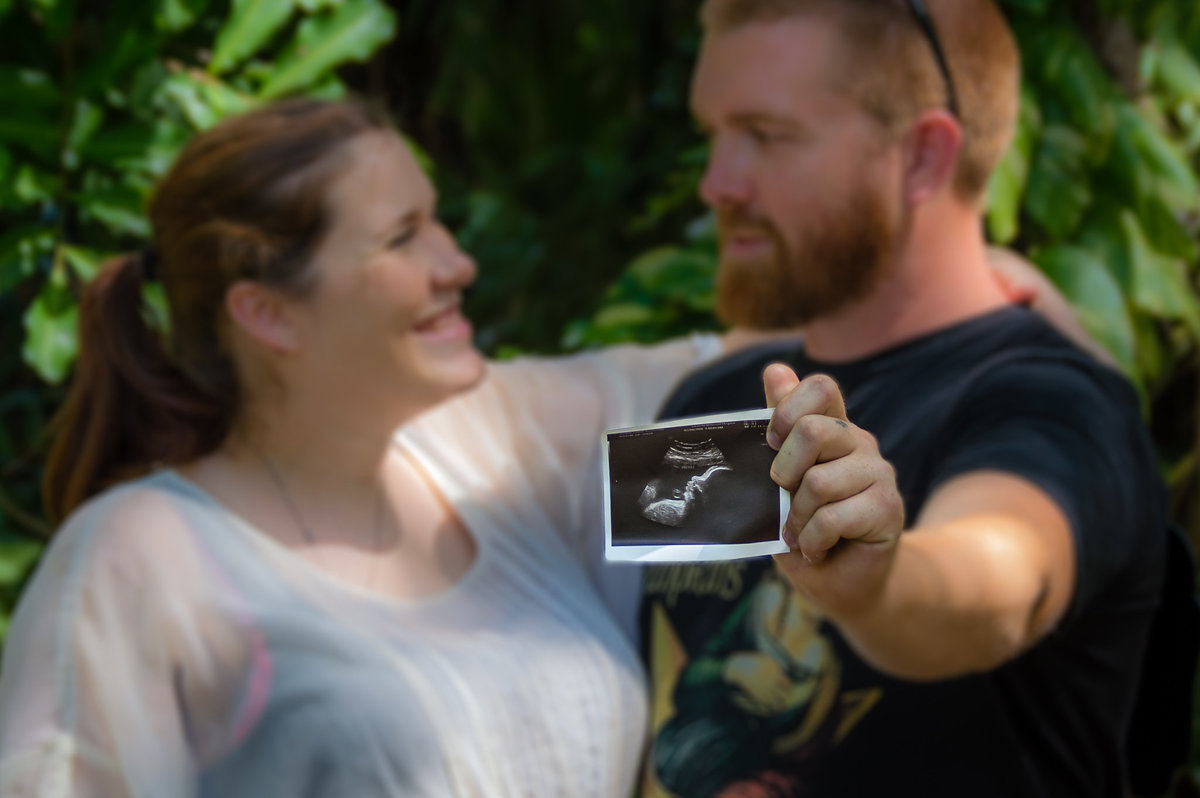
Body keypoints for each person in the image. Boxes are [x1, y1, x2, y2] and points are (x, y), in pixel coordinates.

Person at [0, 97, 762, 797]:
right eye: (403, 237)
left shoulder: (495, 463)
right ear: (268, 314)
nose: (456, 264)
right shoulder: (142, 558)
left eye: (436, 220)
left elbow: (770, 457)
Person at [638, 1, 1168, 797]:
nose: (718, 184)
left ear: (922, 158)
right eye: (714, 133)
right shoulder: (709, 398)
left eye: (768, 136)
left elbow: (997, 584)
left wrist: (881, 584)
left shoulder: (1055, 405)